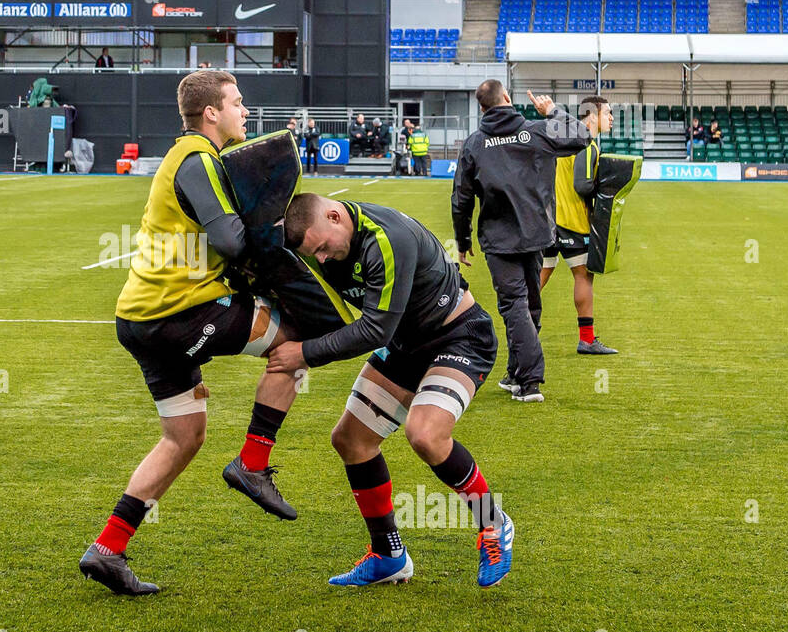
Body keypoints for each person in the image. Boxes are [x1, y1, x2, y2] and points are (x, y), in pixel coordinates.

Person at [79, 70, 304, 597]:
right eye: (237, 102)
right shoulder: (199, 157)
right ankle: (253, 463)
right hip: (178, 314)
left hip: (144, 318)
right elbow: (228, 239)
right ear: (211, 113)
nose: (245, 111)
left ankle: (107, 550)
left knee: (185, 436)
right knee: (293, 344)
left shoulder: (189, 156)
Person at [266, 193, 513, 589]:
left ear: (335, 215)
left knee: (426, 434)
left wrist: (306, 353)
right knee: (351, 440)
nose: (324, 259)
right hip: (405, 345)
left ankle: (492, 522)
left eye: (324, 248)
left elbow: (373, 330)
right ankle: (388, 555)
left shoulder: (387, 239)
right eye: (316, 255)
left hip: (457, 337)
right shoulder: (324, 244)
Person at [452, 82, 591, 403]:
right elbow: (583, 135)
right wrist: (552, 110)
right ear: (506, 99)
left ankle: (528, 382)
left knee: (516, 305)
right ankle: (517, 374)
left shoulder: (475, 143)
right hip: (537, 233)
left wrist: (462, 239)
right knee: (529, 304)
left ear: (482, 108)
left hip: (499, 239)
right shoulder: (538, 130)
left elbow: (461, 197)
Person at [540, 96, 618, 356]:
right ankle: (587, 340)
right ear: (592, 115)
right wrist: (606, 189)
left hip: (548, 221)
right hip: (574, 222)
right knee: (583, 277)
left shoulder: (561, 141)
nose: (611, 118)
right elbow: (583, 185)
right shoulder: (588, 145)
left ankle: (521, 333)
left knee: (537, 278)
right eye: (608, 112)